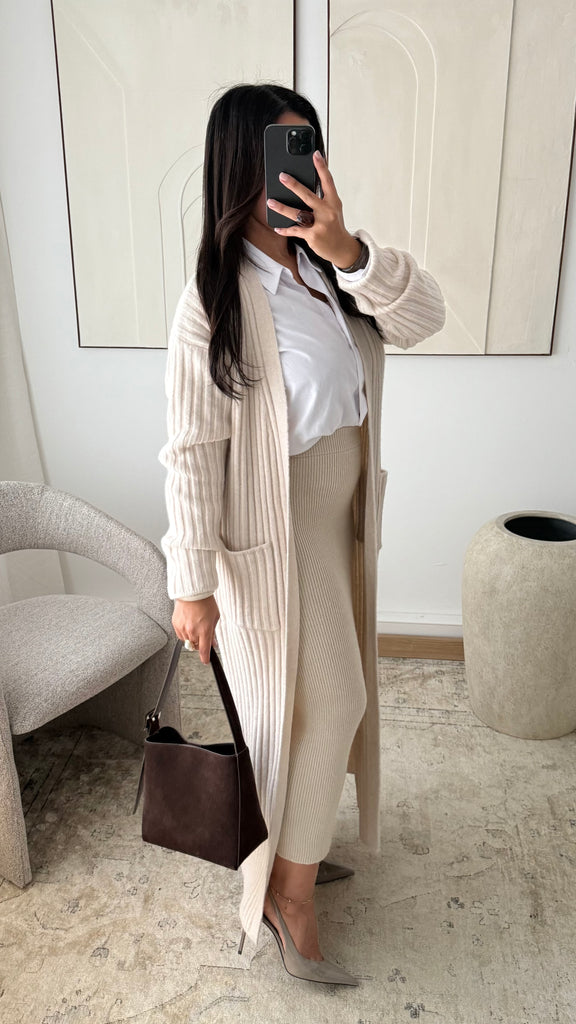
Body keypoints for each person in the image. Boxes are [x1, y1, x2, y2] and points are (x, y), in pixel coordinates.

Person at [157, 83, 446, 986]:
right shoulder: (216, 300)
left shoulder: (327, 270)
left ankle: (301, 843)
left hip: (341, 525)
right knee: (330, 706)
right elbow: (192, 451)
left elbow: (425, 319)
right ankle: (287, 894)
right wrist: (190, 582)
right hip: (275, 540)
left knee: (317, 707)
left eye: (310, 149)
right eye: (283, 153)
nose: (303, 171)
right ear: (240, 167)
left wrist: (347, 249)